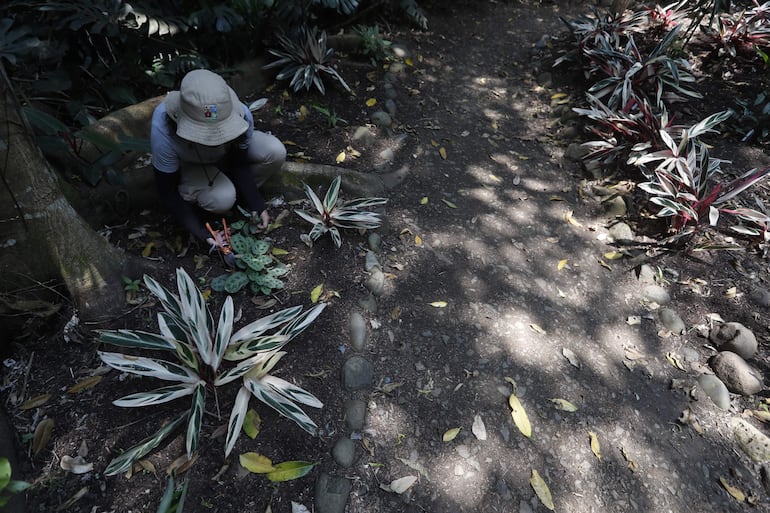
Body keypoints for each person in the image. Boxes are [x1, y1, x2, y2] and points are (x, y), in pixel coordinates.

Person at [150, 68, 286, 262]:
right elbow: (167, 191)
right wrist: (201, 232)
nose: (213, 137)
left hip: (225, 159)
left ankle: (231, 191)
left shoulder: (242, 114)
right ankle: (210, 195)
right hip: (192, 164)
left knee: (275, 151)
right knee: (223, 198)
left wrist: (257, 204)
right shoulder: (163, 128)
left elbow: (240, 163)